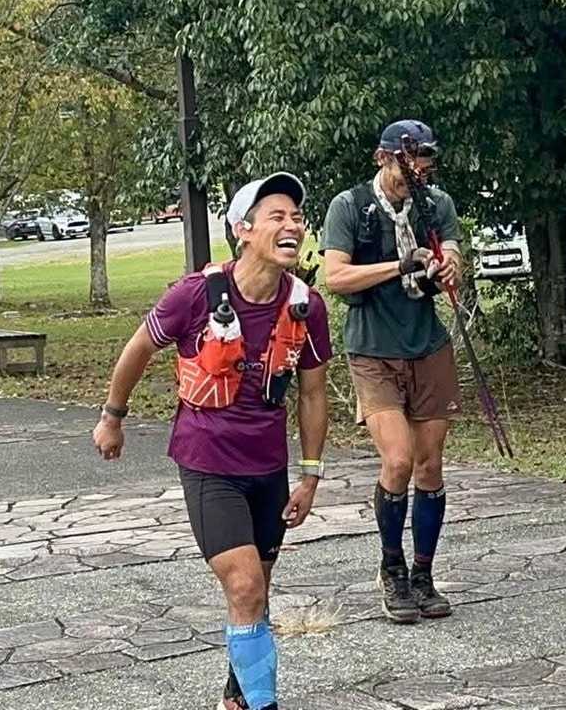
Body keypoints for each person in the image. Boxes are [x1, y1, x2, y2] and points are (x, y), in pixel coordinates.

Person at [94, 172, 331, 710]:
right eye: (277, 216)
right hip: (208, 462)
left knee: (256, 592)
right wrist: (112, 417)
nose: (292, 226)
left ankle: (236, 699)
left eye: (297, 217)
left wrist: (311, 473)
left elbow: (314, 393)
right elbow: (138, 349)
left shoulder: (306, 306)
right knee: (244, 585)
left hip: (267, 467)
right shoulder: (195, 295)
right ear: (243, 230)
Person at [320, 119, 463, 624]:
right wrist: (401, 264)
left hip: (428, 345)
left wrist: (449, 267)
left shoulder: (436, 204)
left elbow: (454, 256)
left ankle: (423, 574)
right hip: (372, 349)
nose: (417, 173)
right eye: (408, 164)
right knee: (398, 461)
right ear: (383, 158)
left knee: (430, 466)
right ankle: (392, 568)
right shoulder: (350, 206)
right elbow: (335, 276)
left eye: (425, 163)